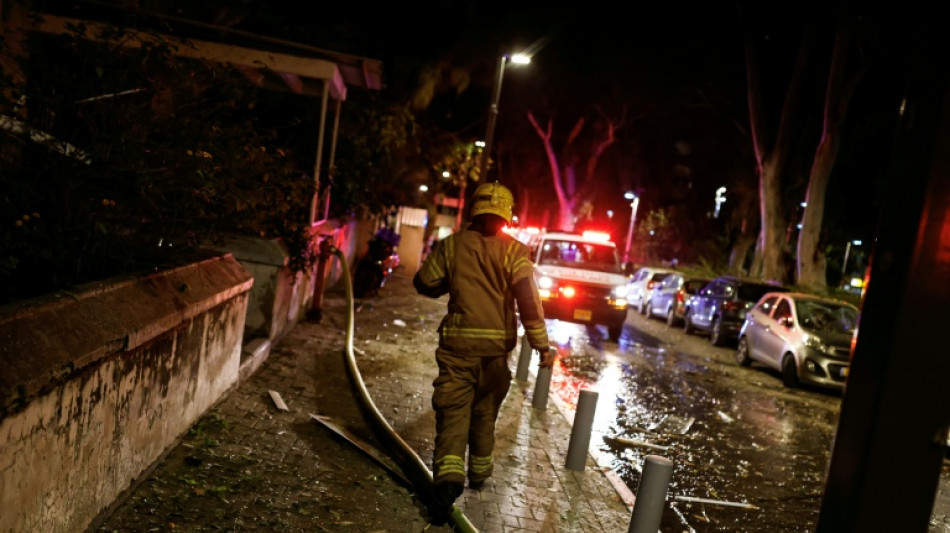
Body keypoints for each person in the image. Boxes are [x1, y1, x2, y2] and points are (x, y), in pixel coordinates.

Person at [413, 181, 555, 523]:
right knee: (485, 412)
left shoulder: (453, 246)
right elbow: (528, 304)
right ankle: (479, 473)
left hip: (458, 349)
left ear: (474, 209)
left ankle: (447, 481)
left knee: (453, 411)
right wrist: (542, 346)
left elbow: (424, 283)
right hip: (495, 354)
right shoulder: (515, 252)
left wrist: (454, 280)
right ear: (505, 215)